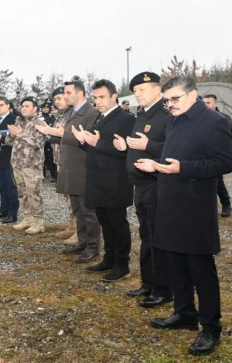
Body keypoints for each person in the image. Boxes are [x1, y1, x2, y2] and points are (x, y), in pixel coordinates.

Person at [136, 75, 232, 356]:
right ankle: (184, 313)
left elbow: (225, 163)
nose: (170, 105)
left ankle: (211, 327)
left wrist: (183, 169)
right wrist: (156, 164)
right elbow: (171, 154)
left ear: (193, 94)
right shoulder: (173, 120)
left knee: (200, 269)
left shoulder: (215, 122)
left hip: (195, 207)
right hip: (169, 201)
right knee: (175, 262)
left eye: (174, 99)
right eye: (166, 100)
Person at [114, 72, 172, 306]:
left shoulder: (167, 115)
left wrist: (149, 145)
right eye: (135, 90)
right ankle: (148, 283)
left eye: (143, 89)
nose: (138, 94)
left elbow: (174, 148)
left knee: (159, 237)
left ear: (158, 90)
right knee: (147, 236)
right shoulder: (142, 115)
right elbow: (137, 146)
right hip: (141, 184)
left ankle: (164, 288)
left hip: (157, 184)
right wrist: (124, 147)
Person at [73, 79, 135, 281]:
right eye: (95, 97)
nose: (98, 101)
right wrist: (84, 142)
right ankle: (109, 258)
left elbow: (125, 150)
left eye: (102, 97)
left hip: (115, 180)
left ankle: (121, 263)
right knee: (105, 222)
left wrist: (97, 143)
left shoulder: (126, 119)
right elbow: (95, 146)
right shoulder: (99, 118)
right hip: (98, 179)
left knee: (117, 223)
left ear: (113, 96)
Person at [36, 80, 101, 263]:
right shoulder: (72, 113)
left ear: (79, 93)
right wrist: (50, 134)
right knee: (78, 210)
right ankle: (82, 242)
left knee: (88, 212)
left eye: (68, 92)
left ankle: (93, 247)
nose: (65, 96)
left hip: (83, 167)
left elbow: (86, 139)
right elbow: (66, 139)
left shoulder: (91, 113)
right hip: (71, 167)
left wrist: (61, 134)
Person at [6, 97, 47, 234]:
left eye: (27, 106)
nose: (23, 108)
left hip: (32, 165)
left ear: (35, 108)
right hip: (18, 164)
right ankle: (27, 219)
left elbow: (37, 144)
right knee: (22, 193)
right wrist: (12, 135)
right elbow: (8, 141)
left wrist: (20, 134)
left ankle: (38, 223)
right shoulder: (19, 122)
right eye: (22, 106)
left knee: (34, 194)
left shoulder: (40, 123)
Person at [48, 87, 78, 244]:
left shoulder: (75, 115)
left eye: (60, 98)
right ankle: (72, 226)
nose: (57, 101)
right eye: (56, 99)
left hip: (72, 161)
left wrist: (53, 133)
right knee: (68, 197)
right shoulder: (60, 116)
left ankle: (81, 231)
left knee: (76, 197)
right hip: (60, 160)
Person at [202, 94, 232, 217]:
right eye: (203, 102)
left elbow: (231, 135)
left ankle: (226, 205)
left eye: (208, 103)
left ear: (215, 104)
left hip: (215, 155)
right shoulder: (199, 118)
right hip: (201, 155)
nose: (205, 105)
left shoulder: (223, 118)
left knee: (218, 182)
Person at [40, 102, 58, 182]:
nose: (54, 111)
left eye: (55, 109)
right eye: (52, 110)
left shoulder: (59, 119)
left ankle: (56, 175)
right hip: (48, 141)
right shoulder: (47, 119)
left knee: (55, 158)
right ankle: (51, 174)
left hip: (57, 140)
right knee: (49, 158)